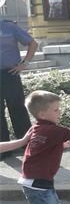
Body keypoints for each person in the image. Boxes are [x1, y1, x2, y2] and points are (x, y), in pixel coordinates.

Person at [1, 19, 36, 147]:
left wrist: (24, 64)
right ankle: (3, 149)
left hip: (11, 73)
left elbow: (32, 44)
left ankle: (27, 144)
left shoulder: (9, 27)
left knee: (17, 109)